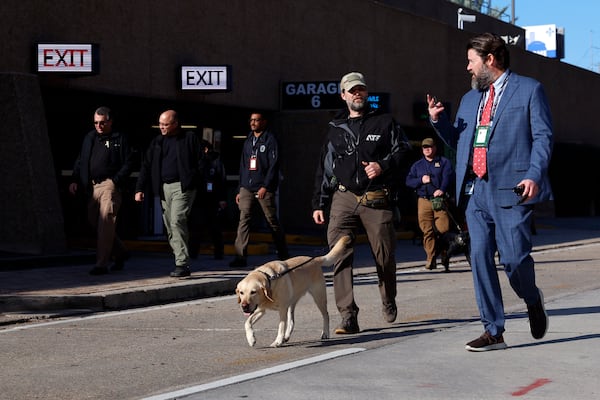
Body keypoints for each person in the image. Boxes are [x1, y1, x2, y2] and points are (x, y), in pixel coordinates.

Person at [427, 33, 553, 351]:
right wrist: (439, 122)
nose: (468, 68)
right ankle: (493, 330)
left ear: (490, 60)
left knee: (513, 259)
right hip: (476, 191)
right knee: (479, 256)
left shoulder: (529, 90)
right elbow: (461, 142)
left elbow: (543, 137)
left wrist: (534, 175)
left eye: (471, 61)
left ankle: (531, 297)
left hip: (513, 189)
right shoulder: (471, 100)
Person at [312, 72, 410, 334]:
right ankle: (348, 315)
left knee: (384, 256)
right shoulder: (335, 128)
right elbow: (325, 168)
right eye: (352, 90)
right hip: (343, 198)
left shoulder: (384, 122)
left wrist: (382, 166)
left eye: (361, 90)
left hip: (376, 197)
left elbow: (403, 150)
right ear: (343, 95)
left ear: (367, 93)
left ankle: (388, 298)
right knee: (339, 254)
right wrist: (319, 203)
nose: (357, 94)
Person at [134, 110, 204, 278]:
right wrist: (139, 188)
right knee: (170, 226)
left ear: (175, 124)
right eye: (160, 124)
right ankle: (180, 257)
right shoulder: (158, 142)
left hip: (183, 187)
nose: (162, 127)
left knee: (177, 220)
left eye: (166, 124)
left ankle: (182, 263)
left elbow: (201, 161)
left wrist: (193, 180)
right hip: (164, 188)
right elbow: (146, 165)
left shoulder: (189, 138)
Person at [69, 106, 134, 275]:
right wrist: (75, 179)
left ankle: (101, 264)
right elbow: (81, 159)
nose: (98, 126)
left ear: (110, 121)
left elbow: (129, 162)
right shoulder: (90, 137)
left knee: (106, 222)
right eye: (96, 123)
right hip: (91, 186)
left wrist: (116, 180)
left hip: (109, 186)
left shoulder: (119, 138)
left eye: (102, 122)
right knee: (94, 222)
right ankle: (120, 252)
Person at [229, 112, 289, 268]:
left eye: (256, 120)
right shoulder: (248, 140)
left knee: (271, 221)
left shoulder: (270, 140)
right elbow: (243, 165)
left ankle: (283, 253)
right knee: (244, 219)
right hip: (247, 187)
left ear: (264, 122)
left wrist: (266, 186)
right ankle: (240, 256)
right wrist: (239, 188)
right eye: (251, 120)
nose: (253, 123)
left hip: (263, 187)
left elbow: (274, 165)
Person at [405, 138, 454, 271]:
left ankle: (445, 256)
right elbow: (408, 181)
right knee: (427, 231)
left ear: (435, 148)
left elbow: (448, 177)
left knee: (443, 230)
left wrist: (442, 189)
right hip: (424, 200)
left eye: (430, 147)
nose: (427, 149)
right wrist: (421, 180)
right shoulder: (417, 165)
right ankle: (430, 258)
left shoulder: (444, 162)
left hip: (439, 200)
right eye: (424, 147)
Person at [188, 139, 227, 260]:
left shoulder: (215, 161)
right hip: (198, 198)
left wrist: (222, 198)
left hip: (212, 199)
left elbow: (221, 180)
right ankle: (193, 253)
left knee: (215, 228)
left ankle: (219, 253)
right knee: (196, 228)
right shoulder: (196, 161)